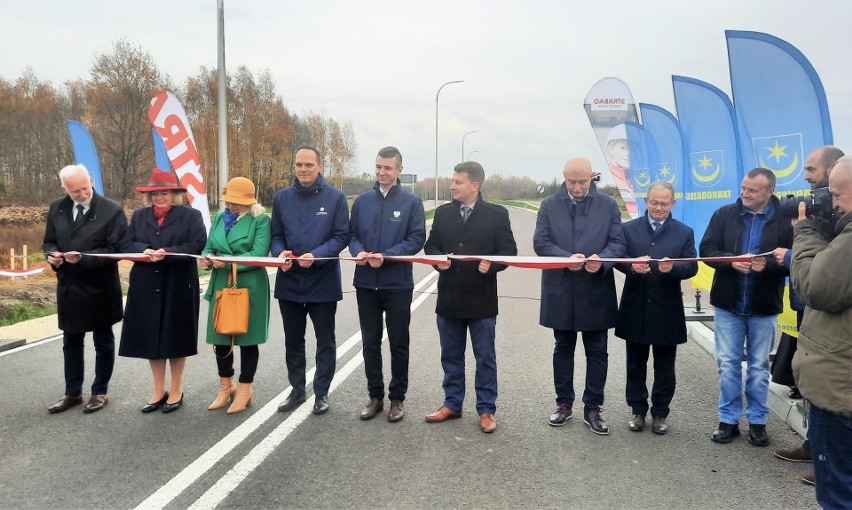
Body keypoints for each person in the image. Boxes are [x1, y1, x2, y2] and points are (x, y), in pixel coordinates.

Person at [699, 167, 793, 446]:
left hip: (764, 306)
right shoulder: (724, 214)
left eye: (752, 190)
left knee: (759, 367)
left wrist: (769, 266)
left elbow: (796, 260)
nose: (745, 193)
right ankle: (728, 420)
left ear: (769, 192)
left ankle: (757, 421)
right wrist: (730, 261)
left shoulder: (785, 221)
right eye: (743, 187)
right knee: (727, 364)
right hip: (728, 303)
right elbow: (706, 251)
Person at [423, 161, 517, 434]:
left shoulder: (496, 215)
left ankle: (487, 409)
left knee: (484, 357)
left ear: (475, 185)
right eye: (452, 181)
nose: (452, 186)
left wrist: (494, 264)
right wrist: (437, 260)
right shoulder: (442, 214)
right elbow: (432, 246)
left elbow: (509, 252)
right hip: (449, 298)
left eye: (458, 182)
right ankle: (452, 403)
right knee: (451, 356)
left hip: (482, 300)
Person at [534, 157, 626, 435]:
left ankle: (593, 407)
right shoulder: (549, 204)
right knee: (563, 348)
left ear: (592, 178)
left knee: (597, 350)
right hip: (561, 287)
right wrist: (564, 258)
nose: (576, 187)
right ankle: (564, 403)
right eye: (571, 181)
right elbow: (541, 243)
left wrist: (604, 259)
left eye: (582, 182)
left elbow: (618, 242)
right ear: (564, 177)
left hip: (596, 287)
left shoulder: (608, 204)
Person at [772, 145, 843, 485]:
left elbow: (822, 276)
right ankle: (815, 446)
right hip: (811, 313)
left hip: (832, 324)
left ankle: (829, 461)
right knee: (812, 376)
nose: (806, 177)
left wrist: (798, 243)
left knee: (829, 381)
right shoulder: (827, 218)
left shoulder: (843, 226)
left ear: (833, 171)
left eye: (812, 170)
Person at [790, 155, 852, 508]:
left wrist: (806, 231)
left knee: (838, 494)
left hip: (840, 388)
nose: (835, 205)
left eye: (839, 197)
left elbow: (817, 287)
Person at [119, 168, 207, 413]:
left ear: (174, 194)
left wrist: (166, 254)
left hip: (177, 283)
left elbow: (196, 244)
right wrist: (145, 249)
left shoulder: (191, 216)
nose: (160, 197)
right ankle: (158, 389)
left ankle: (176, 388)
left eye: (165, 193)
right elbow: (126, 243)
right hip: (146, 284)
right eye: (156, 193)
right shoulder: (139, 216)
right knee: (151, 338)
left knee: (175, 337)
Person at [43, 164, 127, 414]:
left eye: (85, 187)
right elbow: (49, 241)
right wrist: (51, 256)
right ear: (65, 189)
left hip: (100, 287)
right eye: (75, 191)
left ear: (90, 180)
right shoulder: (57, 207)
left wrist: (84, 258)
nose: (82, 194)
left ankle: (100, 391)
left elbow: (117, 250)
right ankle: (72, 392)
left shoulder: (112, 211)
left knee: (103, 340)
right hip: (69, 285)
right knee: (71, 341)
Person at [349, 146, 426, 422]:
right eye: (379, 167)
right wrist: (357, 251)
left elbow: (417, 239)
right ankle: (375, 396)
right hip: (366, 284)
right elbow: (353, 234)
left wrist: (389, 256)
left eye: (388, 168)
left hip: (397, 284)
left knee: (398, 342)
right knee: (370, 342)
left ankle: (397, 398)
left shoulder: (411, 203)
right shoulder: (362, 201)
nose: (382, 172)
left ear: (399, 171)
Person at [271, 146, 350, 415]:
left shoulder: (336, 198)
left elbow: (341, 237)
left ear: (319, 167)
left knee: (324, 340)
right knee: (293, 340)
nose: (303, 169)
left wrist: (316, 255)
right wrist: (279, 252)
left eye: (308, 165)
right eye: (298, 164)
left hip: (323, 281)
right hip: (290, 280)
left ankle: (321, 393)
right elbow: (276, 234)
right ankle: (297, 390)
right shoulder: (282, 198)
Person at [614, 181, 697, 434]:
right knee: (635, 363)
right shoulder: (628, 229)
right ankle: (637, 411)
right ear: (646, 202)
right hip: (635, 306)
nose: (658, 207)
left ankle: (660, 413)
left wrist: (674, 268)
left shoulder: (684, 232)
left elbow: (692, 266)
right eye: (653, 202)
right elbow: (617, 260)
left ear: (673, 203)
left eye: (663, 203)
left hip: (667, 308)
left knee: (664, 365)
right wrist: (630, 266)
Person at [198, 177, 271, 415]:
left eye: (237, 203)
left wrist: (226, 262)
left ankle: (244, 389)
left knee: (247, 340)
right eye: (229, 202)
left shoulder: (260, 221)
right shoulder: (219, 218)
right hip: (221, 283)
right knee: (221, 339)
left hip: (248, 286)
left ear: (250, 202)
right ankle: (225, 386)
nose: (232, 206)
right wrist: (208, 258)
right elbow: (209, 246)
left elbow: (258, 253)